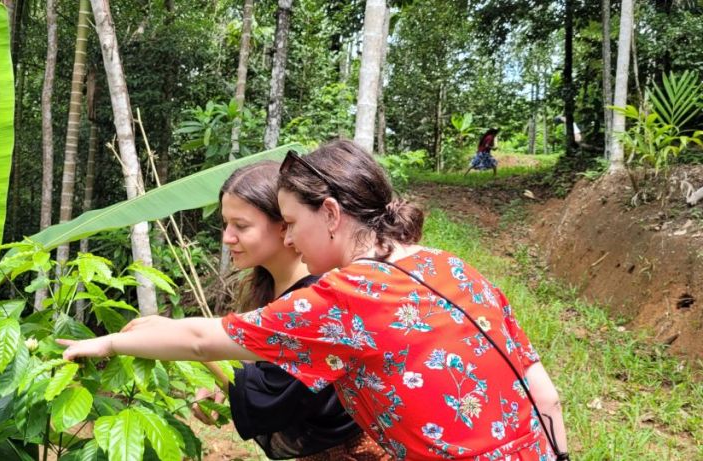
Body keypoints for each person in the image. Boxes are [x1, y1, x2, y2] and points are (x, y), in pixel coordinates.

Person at [59, 140, 569, 461]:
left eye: (293, 223)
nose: (292, 239)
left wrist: (108, 343)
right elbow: (543, 396)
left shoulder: (346, 298)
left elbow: (201, 340)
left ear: (329, 214)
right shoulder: (450, 265)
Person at [191, 161, 387, 460]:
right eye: (225, 224)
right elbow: (261, 366)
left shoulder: (317, 300)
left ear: (286, 225)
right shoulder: (268, 287)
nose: (227, 237)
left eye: (241, 226)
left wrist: (202, 351)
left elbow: (272, 395)